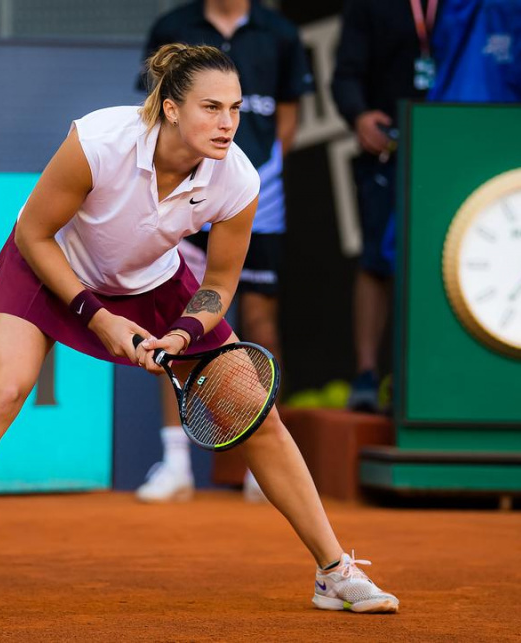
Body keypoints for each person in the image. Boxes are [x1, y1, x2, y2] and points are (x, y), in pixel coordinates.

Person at [0, 43, 398, 624]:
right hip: (50, 263)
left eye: (235, 108)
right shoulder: (99, 141)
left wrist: (185, 333)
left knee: (254, 411)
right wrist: (97, 316)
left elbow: (220, 283)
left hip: (154, 283)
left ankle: (334, 571)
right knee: (3, 391)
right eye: (211, 107)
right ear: (170, 108)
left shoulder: (237, 176)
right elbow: (33, 233)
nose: (227, 122)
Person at [134, 0, 312, 504]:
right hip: (187, 198)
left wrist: (252, 180)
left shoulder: (279, 32)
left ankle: (261, 465)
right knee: (178, 324)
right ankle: (175, 464)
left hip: (257, 194)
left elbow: (288, 119)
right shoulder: (172, 26)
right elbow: (158, 115)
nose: (226, 117)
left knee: (261, 321)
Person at [331, 0, 433, 412]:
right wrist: (358, 115)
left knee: (447, 260)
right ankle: (368, 374)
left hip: (459, 142)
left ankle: (423, 374)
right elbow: (345, 75)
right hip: (389, 145)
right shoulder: (370, 5)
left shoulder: (467, 7)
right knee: (377, 259)